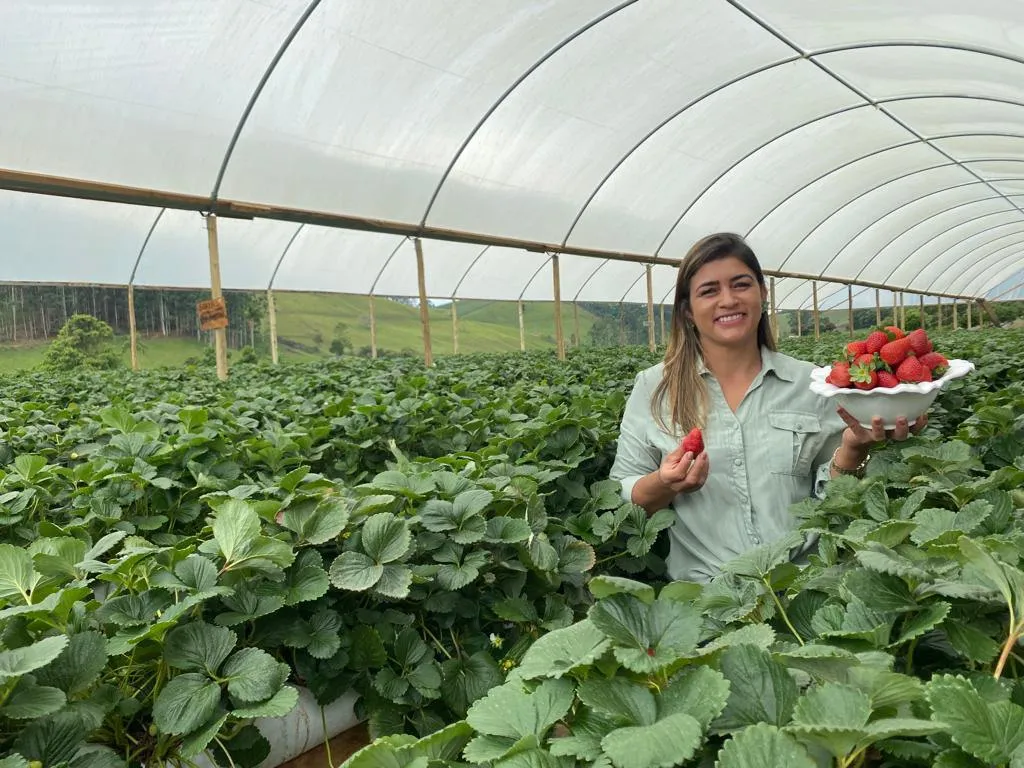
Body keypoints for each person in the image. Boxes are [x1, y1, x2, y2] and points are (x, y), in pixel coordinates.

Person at [609, 232, 926, 583]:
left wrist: (852, 452)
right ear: (687, 310)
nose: (728, 300)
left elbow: (836, 500)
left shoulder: (812, 384)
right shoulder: (655, 389)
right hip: (706, 597)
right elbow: (623, 494)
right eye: (709, 290)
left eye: (741, 285)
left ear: (762, 293)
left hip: (807, 584)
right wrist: (665, 483)